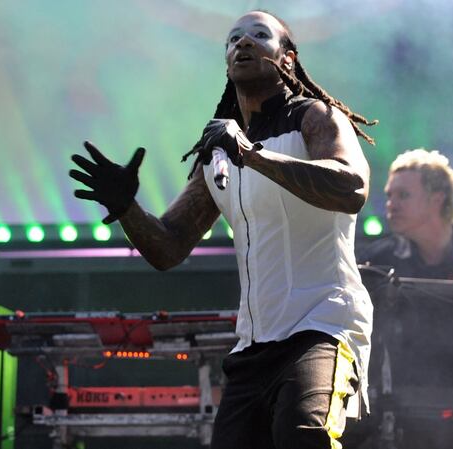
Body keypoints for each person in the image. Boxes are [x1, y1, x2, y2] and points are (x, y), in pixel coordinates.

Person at [70, 10, 376, 449]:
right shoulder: (218, 154)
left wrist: (249, 153)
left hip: (324, 325)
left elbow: (352, 187)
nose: (243, 43)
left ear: (288, 59)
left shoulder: (316, 118)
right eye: (234, 39)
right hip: (252, 347)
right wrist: (125, 207)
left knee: (304, 436)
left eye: (258, 35)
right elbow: (169, 247)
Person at [355, 149, 453, 447]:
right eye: (389, 195)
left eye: (403, 195)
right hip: (394, 416)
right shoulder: (375, 264)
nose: (390, 204)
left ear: (437, 198)